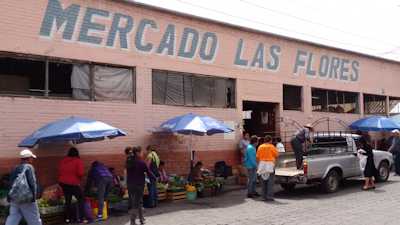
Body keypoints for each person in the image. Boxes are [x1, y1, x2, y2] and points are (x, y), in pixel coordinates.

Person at [6, 149, 42, 225]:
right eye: (31, 158)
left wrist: (9, 196)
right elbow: (32, 183)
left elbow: (11, 183)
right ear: (29, 158)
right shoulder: (29, 167)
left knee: (13, 217)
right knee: (34, 218)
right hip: (26, 198)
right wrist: (34, 198)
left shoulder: (15, 168)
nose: (32, 159)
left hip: (14, 198)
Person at [126, 147, 155, 225]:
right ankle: (132, 221)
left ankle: (141, 219)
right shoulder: (141, 162)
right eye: (141, 152)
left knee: (138, 202)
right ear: (138, 153)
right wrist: (155, 178)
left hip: (130, 185)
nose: (143, 154)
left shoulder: (129, 161)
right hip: (138, 185)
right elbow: (148, 172)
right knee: (136, 204)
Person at [58, 148, 87, 224]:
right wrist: (80, 179)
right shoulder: (78, 161)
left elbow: (60, 171)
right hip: (73, 183)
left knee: (68, 201)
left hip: (63, 183)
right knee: (81, 199)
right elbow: (80, 173)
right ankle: (82, 218)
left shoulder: (63, 160)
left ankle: (67, 219)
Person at [256, 136, 279, 201]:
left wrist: (258, 165)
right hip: (270, 165)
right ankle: (269, 196)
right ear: (270, 140)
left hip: (262, 165)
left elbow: (257, 157)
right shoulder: (272, 146)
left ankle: (263, 197)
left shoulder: (260, 147)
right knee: (270, 182)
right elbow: (277, 155)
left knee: (263, 182)